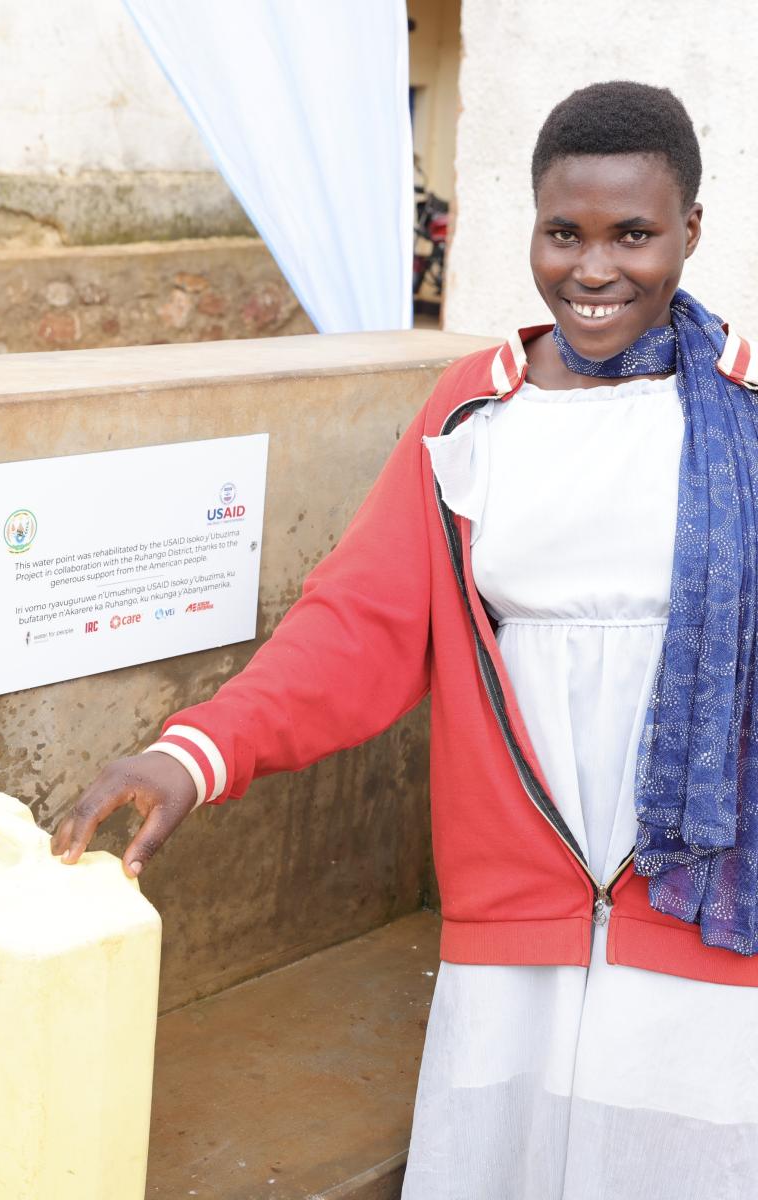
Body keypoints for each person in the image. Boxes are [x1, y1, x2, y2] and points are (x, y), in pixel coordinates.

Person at [51, 81, 758, 1198]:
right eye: (562, 232)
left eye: (635, 234)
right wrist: (195, 753)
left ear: (691, 234)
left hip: (699, 898)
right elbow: (361, 623)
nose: (593, 268)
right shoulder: (474, 415)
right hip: (522, 888)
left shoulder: (746, 417)